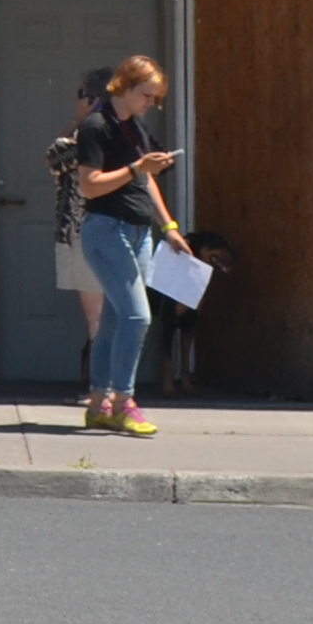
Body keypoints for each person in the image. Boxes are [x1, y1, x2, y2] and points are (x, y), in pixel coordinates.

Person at [69, 55, 189, 438]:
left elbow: (147, 180)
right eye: (146, 95)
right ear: (124, 87)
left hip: (138, 232)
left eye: (156, 98)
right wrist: (137, 167)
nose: (151, 103)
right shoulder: (95, 126)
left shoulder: (134, 126)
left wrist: (168, 225)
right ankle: (124, 402)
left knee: (116, 320)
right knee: (138, 317)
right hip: (106, 230)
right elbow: (90, 185)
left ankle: (99, 402)